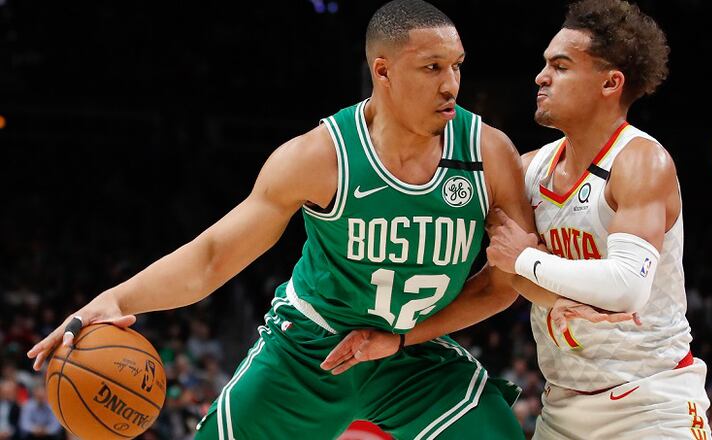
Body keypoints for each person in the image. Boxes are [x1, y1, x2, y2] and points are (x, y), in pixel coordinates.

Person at [27, 1, 629, 438]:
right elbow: (212, 259)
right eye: (432, 68)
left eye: (457, 66)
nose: (451, 84)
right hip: (310, 349)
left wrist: (402, 338)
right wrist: (115, 298)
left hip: (413, 354)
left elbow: (504, 284)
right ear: (383, 71)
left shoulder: (487, 152)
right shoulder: (321, 158)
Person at [322, 1, 712, 439]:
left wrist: (527, 259)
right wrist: (399, 336)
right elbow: (502, 281)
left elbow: (627, 288)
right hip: (562, 407)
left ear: (610, 82)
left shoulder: (640, 161)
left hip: (650, 403)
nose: (541, 77)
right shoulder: (528, 170)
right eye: (545, 64)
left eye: (560, 67)